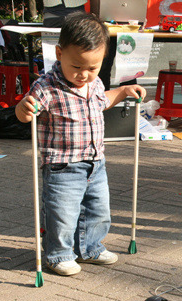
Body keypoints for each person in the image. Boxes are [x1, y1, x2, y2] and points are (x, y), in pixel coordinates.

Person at [15, 12, 146, 276]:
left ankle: (90, 248)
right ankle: (58, 254)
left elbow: (101, 101)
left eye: (92, 68)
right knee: (62, 213)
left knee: (98, 209)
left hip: (96, 162)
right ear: (59, 53)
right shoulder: (46, 87)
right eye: (77, 67)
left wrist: (122, 92)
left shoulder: (95, 83)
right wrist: (23, 108)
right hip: (62, 166)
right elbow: (24, 114)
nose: (84, 74)